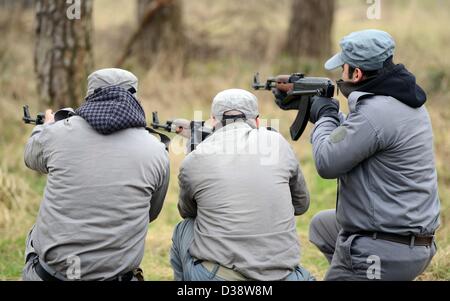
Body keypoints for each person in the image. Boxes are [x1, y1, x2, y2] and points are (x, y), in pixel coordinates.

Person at [295, 29, 439, 280]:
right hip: (412, 241)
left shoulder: (375, 113)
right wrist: (320, 114)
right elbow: (359, 134)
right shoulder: (400, 99)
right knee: (322, 226)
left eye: (344, 68)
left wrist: (326, 117)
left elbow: (327, 162)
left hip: (385, 250)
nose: (341, 75)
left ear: (357, 73)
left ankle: (360, 273)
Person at [22, 68, 170, 281]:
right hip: (116, 276)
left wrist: (44, 128)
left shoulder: (57, 133)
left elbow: (31, 158)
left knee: (36, 234)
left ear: (90, 95)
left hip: (53, 275)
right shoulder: (156, 150)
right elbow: (150, 213)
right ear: (135, 97)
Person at [170, 89, 314, 281]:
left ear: (213, 120)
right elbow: (301, 205)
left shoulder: (195, 158)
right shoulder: (277, 143)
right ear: (256, 120)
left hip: (220, 276)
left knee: (183, 229)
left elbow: (187, 211)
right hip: (283, 275)